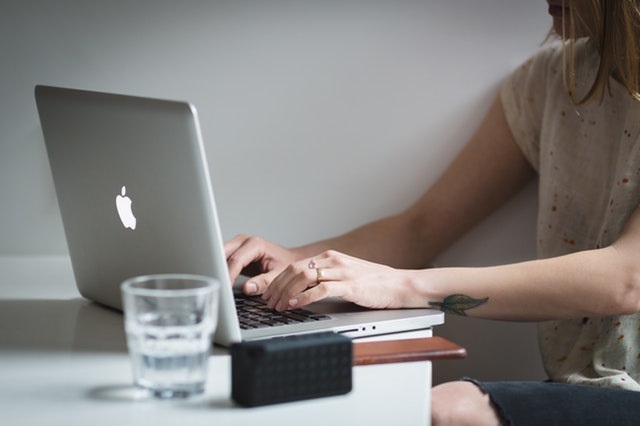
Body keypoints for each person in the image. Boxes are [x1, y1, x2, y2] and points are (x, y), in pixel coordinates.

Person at [224, 1, 640, 424]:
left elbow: (628, 279)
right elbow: (420, 229)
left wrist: (404, 286)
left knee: (446, 410)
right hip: (583, 386)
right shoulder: (546, 81)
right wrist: (296, 263)